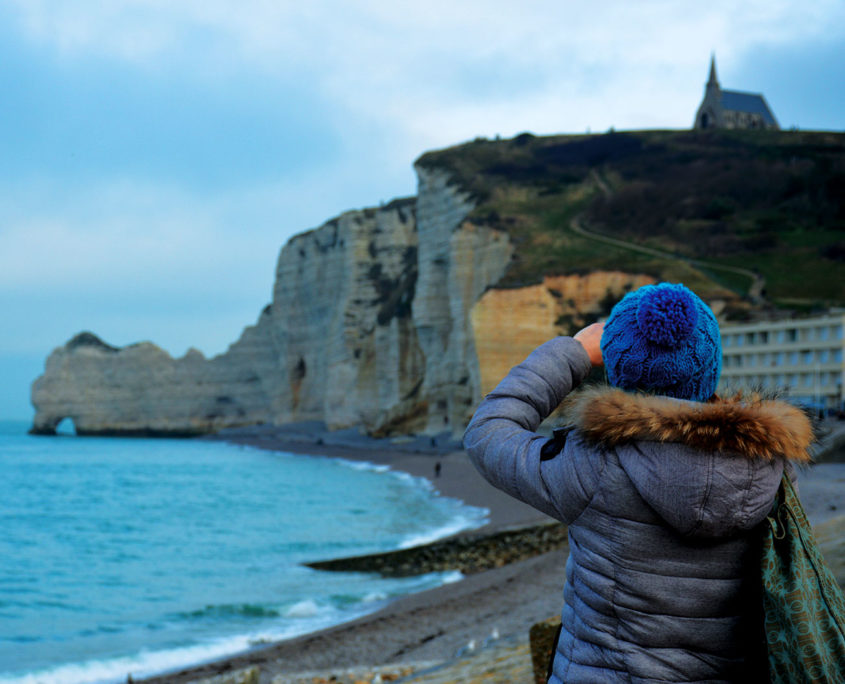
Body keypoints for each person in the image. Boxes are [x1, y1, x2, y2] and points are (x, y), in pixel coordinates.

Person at [463, 283, 813, 683]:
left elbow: (488, 432)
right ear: (708, 364)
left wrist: (574, 352)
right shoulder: (772, 468)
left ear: (618, 369)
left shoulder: (592, 466)